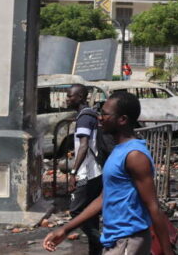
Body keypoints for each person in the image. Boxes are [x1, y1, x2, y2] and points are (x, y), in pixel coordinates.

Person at [44, 91, 175, 255]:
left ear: (122, 119)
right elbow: (104, 197)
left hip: (128, 240)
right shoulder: (118, 150)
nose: (100, 118)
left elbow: (153, 206)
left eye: (105, 114)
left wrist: (167, 252)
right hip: (116, 240)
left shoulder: (135, 155)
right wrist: (65, 229)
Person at [66, 84, 103, 255]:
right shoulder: (90, 114)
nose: (67, 99)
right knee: (91, 213)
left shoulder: (84, 117)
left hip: (87, 172)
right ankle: (95, 251)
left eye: (70, 96)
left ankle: (102, 243)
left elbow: (83, 145)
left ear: (80, 97)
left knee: (76, 211)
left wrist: (73, 173)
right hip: (96, 171)